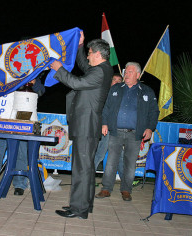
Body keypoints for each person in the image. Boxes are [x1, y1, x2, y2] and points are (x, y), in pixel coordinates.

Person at [50, 32, 113, 219]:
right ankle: (81, 206)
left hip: (87, 125)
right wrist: (80, 46)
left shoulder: (101, 71)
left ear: (98, 55)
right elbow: (84, 66)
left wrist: (60, 69)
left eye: (89, 52)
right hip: (85, 125)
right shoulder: (101, 68)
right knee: (84, 168)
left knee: (82, 169)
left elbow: (76, 83)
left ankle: (79, 209)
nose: (87, 56)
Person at [95, 62, 159, 201]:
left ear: (137, 74)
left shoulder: (147, 91)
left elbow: (154, 112)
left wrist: (149, 128)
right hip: (115, 132)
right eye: (125, 72)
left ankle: (126, 190)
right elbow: (106, 108)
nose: (126, 74)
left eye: (130, 72)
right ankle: (106, 189)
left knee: (130, 163)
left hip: (135, 133)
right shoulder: (116, 89)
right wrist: (104, 123)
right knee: (111, 161)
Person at [0, 78, 45, 196]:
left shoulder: (30, 72)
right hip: (2, 118)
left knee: (21, 153)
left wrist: (34, 82)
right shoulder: (2, 72)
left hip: (22, 119)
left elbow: (41, 91)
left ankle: (20, 184)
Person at [94, 73, 124, 179]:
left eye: (119, 80)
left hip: (118, 129)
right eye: (114, 79)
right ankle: (88, 177)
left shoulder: (124, 94)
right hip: (106, 128)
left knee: (120, 155)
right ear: (110, 81)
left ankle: (125, 181)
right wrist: (103, 124)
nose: (116, 81)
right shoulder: (104, 93)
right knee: (100, 153)